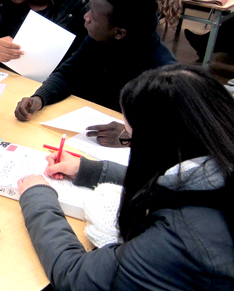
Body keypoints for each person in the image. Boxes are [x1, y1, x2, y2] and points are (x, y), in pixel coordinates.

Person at [17, 64, 234, 290]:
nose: (128, 146)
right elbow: (171, 183)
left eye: (129, 138)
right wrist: (88, 170)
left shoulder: (178, 240)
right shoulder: (219, 159)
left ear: (157, 146)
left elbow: (74, 275)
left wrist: (37, 199)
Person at [15, 0, 176, 147]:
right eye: (90, 9)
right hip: (82, 135)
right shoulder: (99, 39)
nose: (86, 17)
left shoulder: (165, 74)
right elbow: (68, 74)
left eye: (94, 16)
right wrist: (40, 98)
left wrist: (132, 136)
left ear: (119, 33)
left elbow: (178, 134)